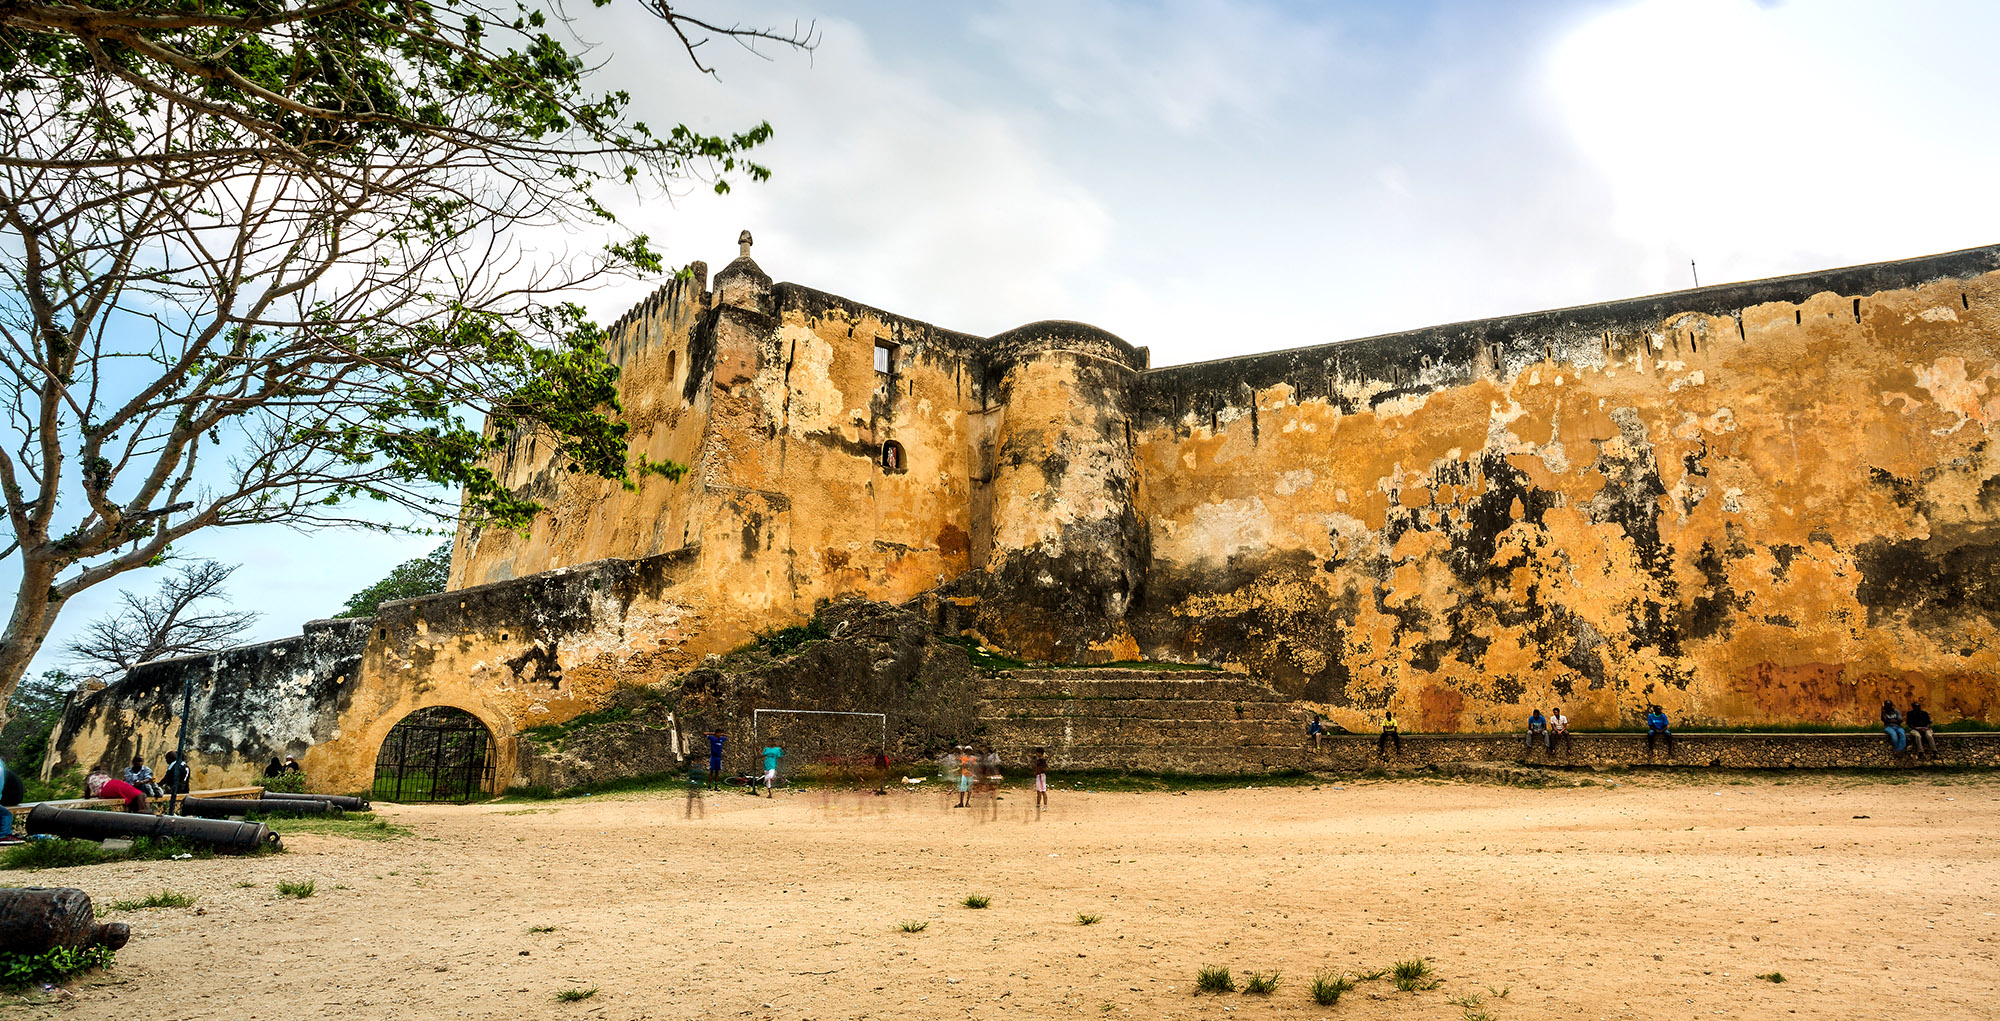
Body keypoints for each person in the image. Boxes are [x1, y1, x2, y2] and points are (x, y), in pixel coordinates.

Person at [0, 755, 23, 845]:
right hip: (14, 798)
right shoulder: (3, 771)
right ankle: (4, 835)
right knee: (6, 814)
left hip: (12, 798)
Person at [1032, 747, 1049, 812]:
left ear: (1040, 753)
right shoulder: (1038, 760)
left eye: (1037, 752)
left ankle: (1045, 806)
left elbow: (1045, 769)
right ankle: (1038, 804)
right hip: (1038, 776)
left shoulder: (1042, 761)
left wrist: (1039, 770)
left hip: (1041, 776)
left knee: (1043, 791)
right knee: (1038, 791)